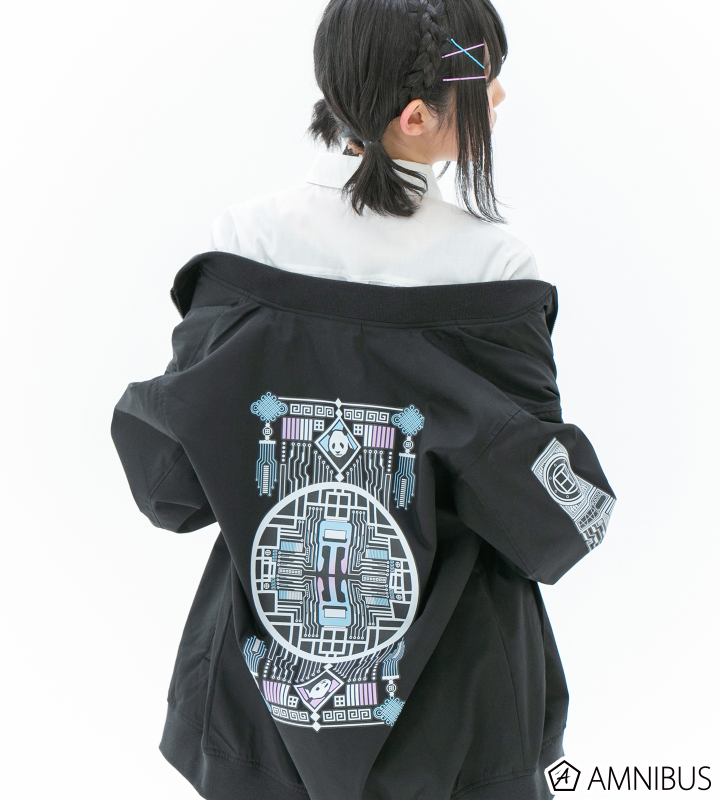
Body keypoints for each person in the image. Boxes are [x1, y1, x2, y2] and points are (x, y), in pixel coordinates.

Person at [111, 2, 616, 799]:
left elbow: (170, 488)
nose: (499, 98)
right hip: (459, 708)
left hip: (258, 691)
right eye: (484, 82)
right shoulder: (493, 270)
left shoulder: (245, 244)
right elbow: (547, 520)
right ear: (416, 117)